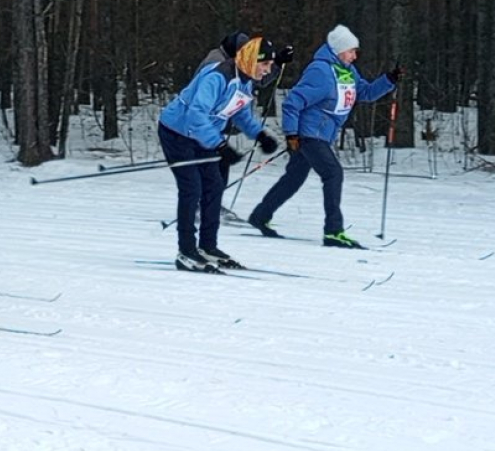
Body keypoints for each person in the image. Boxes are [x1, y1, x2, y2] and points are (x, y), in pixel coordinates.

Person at [247, 25, 401, 249]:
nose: (355, 55)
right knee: (333, 173)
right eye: (351, 51)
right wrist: (291, 134)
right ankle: (333, 231)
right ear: (339, 50)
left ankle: (260, 215)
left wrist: (389, 79)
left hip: (322, 135)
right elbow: (293, 102)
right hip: (310, 135)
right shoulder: (320, 71)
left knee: (294, 178)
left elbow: (365, 93)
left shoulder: (347, 70)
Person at [159, 36, 280, 272]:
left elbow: (239, 113)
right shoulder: (217, 77)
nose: (267, 71)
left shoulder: (244, 81)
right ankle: (186, 251)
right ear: (250, 60)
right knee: (192, 188)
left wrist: (260, 134)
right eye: (264, 65)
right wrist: (220, 146)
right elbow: (196, 114)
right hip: (177, 132)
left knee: (214, 186)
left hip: (203, 134)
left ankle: (208, 246)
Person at [197, 31, 294, 189]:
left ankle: (213, 205)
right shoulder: (216, 62)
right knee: (211, 167)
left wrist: (277, 63)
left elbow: (258, 80)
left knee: (220, 165)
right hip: (202, 127)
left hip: (215, 126)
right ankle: (204, 206)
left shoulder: (235, 65)